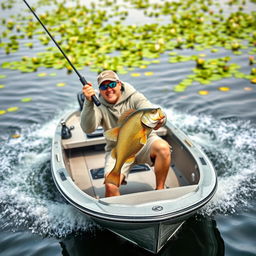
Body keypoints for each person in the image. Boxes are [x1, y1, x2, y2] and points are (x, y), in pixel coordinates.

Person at [80, 70, 171, 197]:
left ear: (119, 84)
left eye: (111, 85)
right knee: (110, 186)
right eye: (103, 86)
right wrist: (88, 102)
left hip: (144, 142)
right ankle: (118, 214)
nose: (108, 89)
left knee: (163, 148)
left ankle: (160, 190)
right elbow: (87, 129)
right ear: (99, 90)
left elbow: (155, 112)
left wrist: (161, 121)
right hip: (119, 149)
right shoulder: (97, 105)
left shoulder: (134, 96)